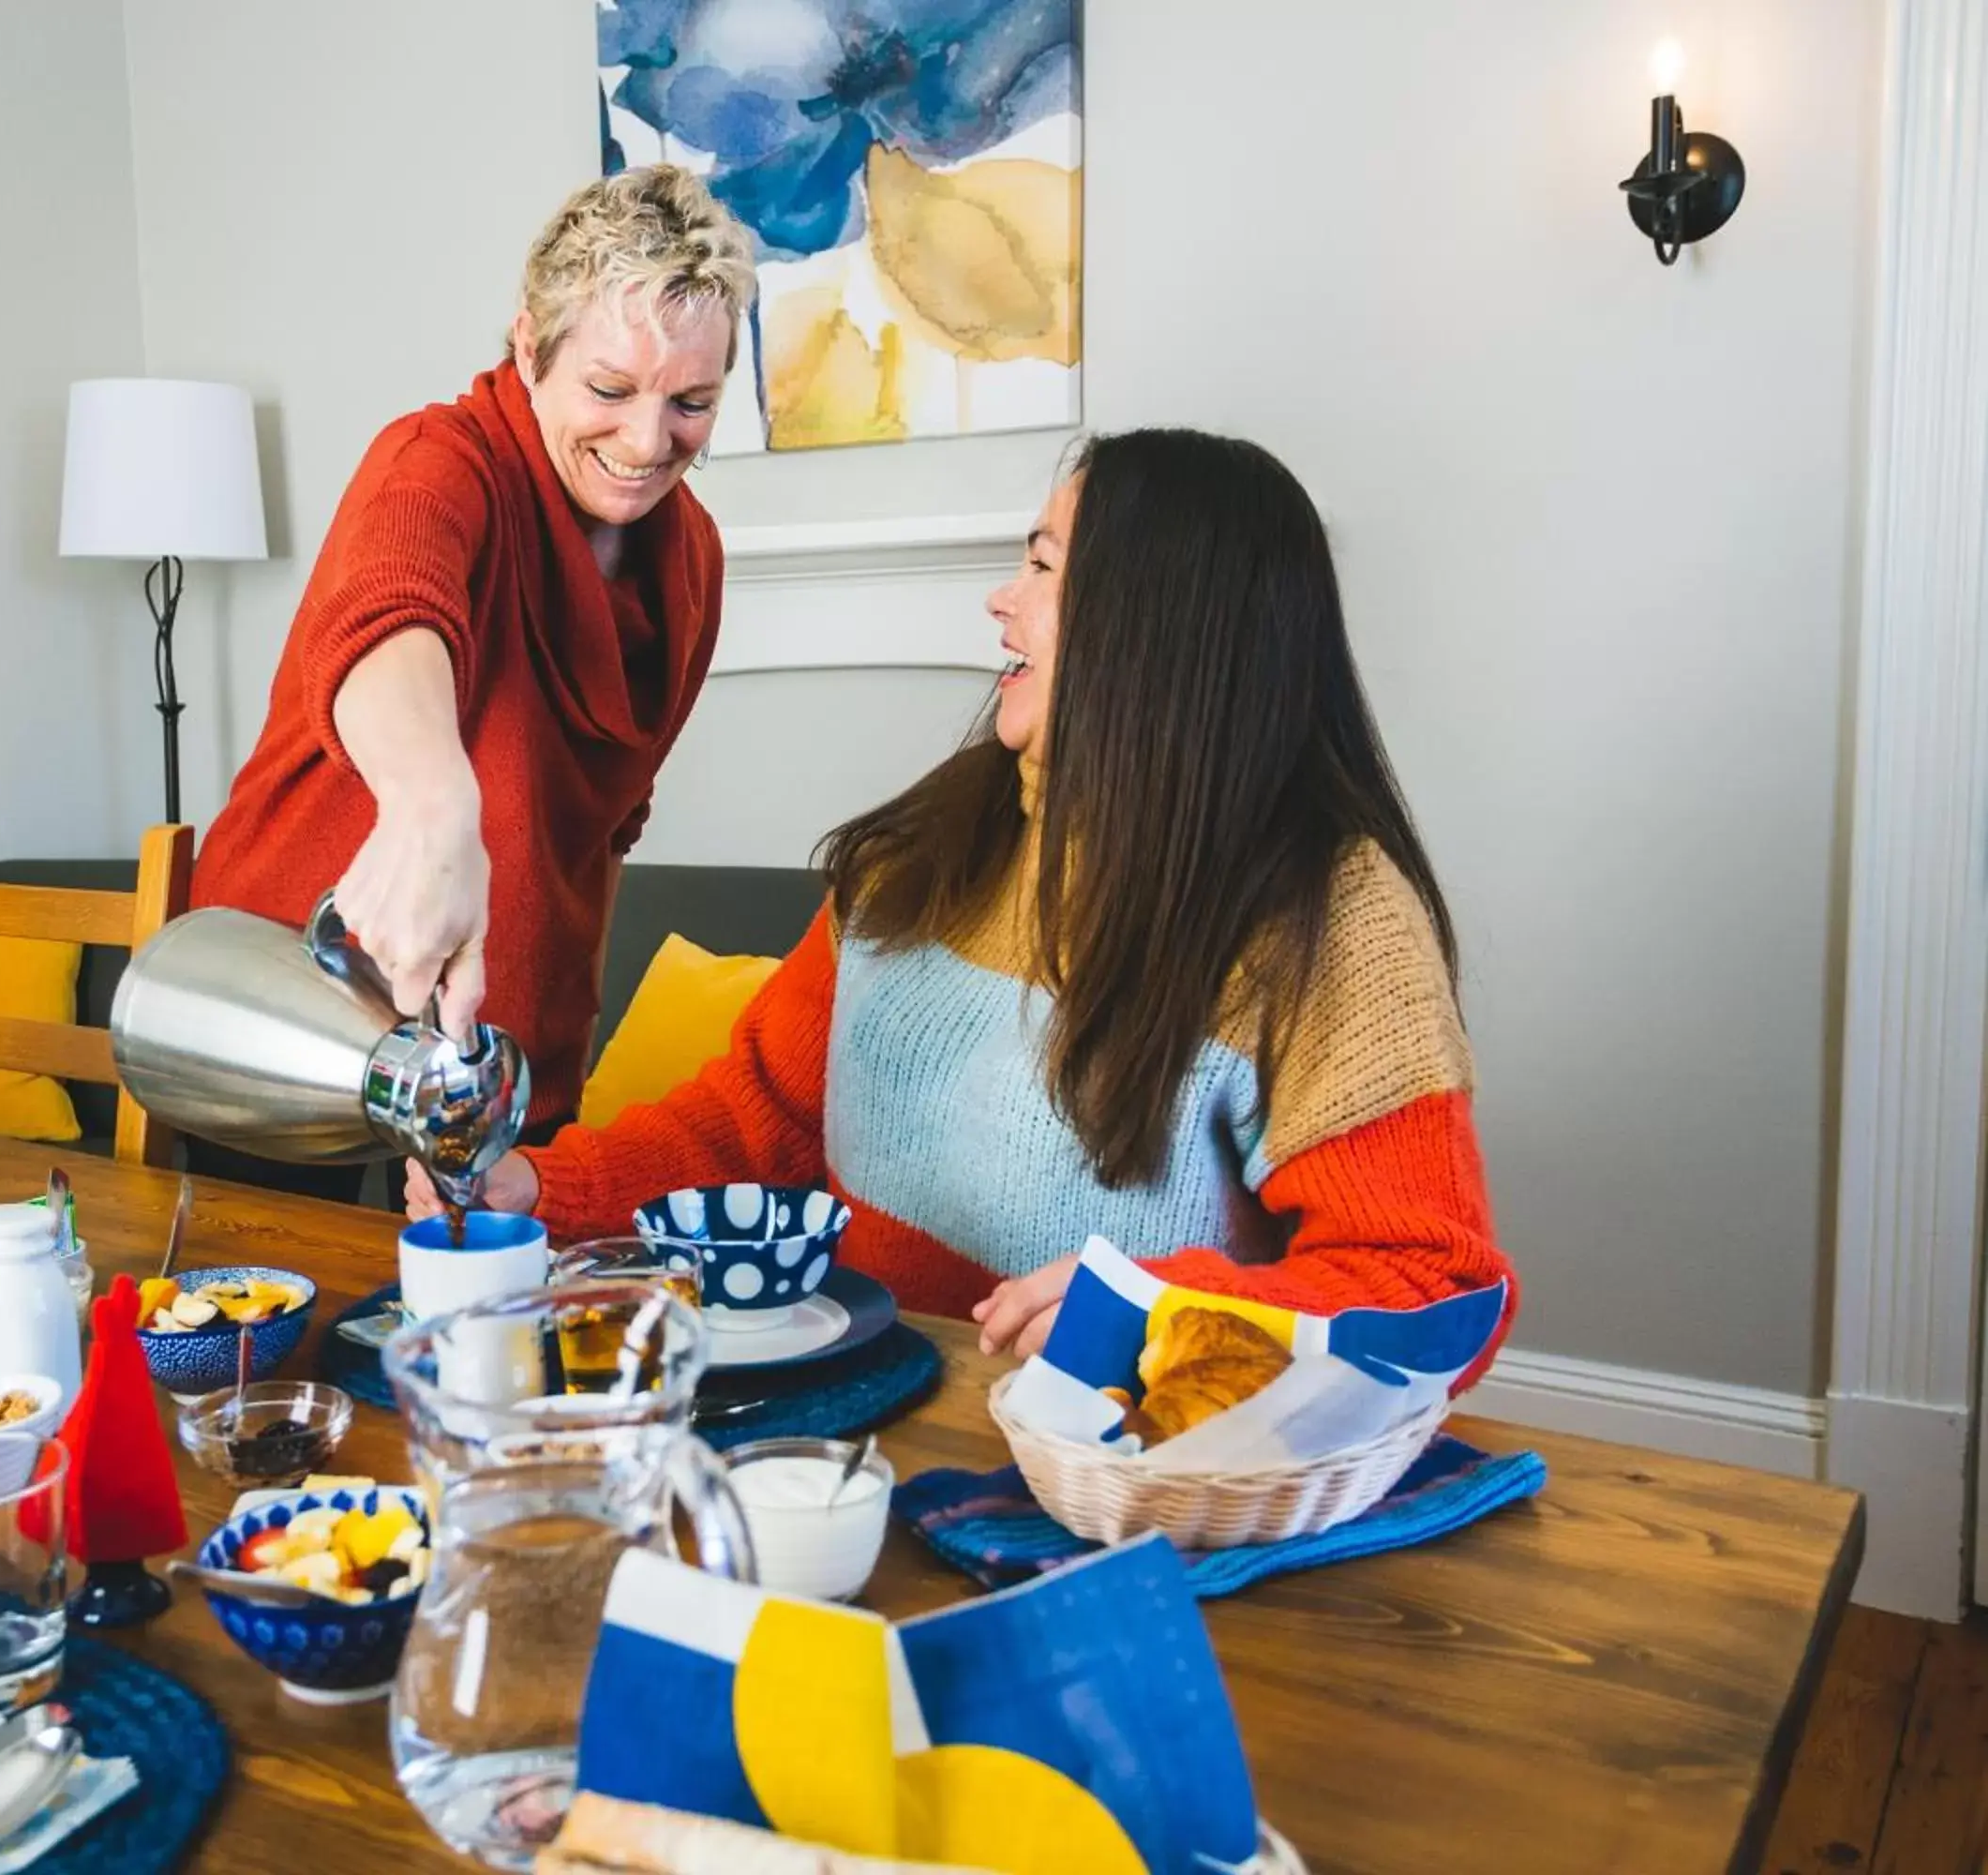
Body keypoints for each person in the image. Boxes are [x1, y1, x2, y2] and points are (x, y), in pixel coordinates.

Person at [419, 428, 1518, 1371]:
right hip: (857, 1410)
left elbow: (1430, 1283)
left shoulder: (1333, 918)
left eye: (1043, 566)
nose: (1003, 599)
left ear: (1157, 626)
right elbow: (759, 1125)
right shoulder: (926, 852)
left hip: (1113, 1473)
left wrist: (1159, 1318)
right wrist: (536, 1188)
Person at [188, 165, 755, 1200]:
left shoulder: (695, 559)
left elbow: (604, 825)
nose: (646, 441)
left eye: (693, 402)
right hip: (292, 1016)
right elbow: (387, 618)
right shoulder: (435, 463)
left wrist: (555, 1024)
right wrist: (433, 798)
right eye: (611, 390)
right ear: (529, 348)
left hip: (496, 1058)